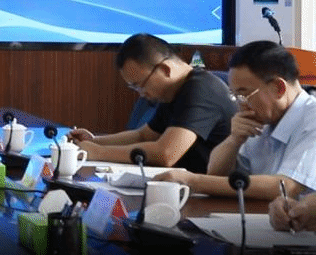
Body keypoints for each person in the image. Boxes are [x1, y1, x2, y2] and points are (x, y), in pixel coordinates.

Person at [157, 41, 316, 201]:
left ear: (278, 88)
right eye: (235, 96)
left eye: (244, 95)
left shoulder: (312, 119)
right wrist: (233, 140)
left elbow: (285, 187)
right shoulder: (263, 119)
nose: (240, 105)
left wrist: (193, 181)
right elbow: (216, 175)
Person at [68, 33, 237, 173]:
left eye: (140, 85)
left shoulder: (201, 90)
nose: (141, 94)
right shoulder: (176, 90)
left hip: (218, 193)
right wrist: (95, 141)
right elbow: (143, 135)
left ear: (165, 70)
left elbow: (166, 154)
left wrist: (99, 152)